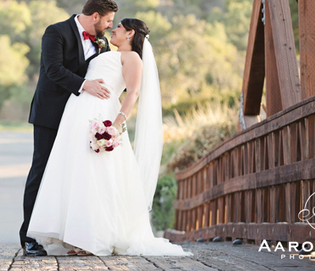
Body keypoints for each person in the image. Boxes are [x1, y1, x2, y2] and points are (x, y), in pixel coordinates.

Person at [27, 18, 192, 257]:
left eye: (118, 27)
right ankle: (75, 237)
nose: (112, 30)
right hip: (77, 114)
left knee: (97, 174)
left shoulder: (133, 57)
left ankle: (93, 238)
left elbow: (133, 91)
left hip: (101, 115)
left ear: (129, 34)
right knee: (78, 173)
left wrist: (116, 123)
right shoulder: (106, 49)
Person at [19, 0, 118, 257]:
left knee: (75, 176)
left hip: (82, 119)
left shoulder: (103, 42)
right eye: (108, 20)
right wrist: (85, 85)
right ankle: (29, 236)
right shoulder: (56, 32)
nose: (109, 26)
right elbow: (53, 70)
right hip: (50, 115)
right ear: (95, 16)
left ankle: (69, 234)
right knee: (41, 172)